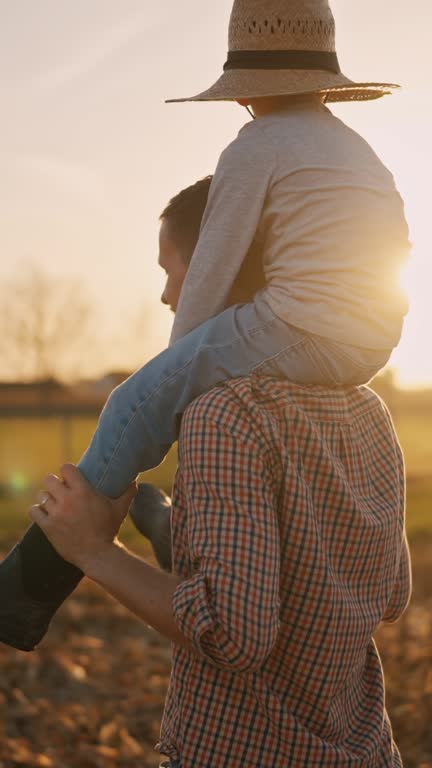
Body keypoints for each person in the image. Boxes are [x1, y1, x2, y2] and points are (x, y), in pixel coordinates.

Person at [0, 0, 411, 652]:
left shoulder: (259, 144)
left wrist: (169, 380)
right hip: (372, 338)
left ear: (244, 93)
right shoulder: (355, 148)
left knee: (133, 404)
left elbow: (210, 270)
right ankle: (170, 534)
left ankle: (22, 591)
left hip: (304, 321)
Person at [26, 236, 412, 766]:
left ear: (218, 268)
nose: (166, 295)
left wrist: (95, 550)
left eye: (172, 270)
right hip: (367, 751)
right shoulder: (370, 409)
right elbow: (392, 594)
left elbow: (235, 636)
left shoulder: (225, 412)